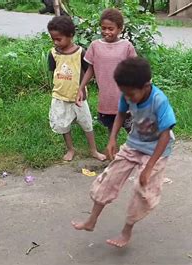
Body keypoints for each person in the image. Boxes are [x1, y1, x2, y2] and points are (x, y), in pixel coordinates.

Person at [72, 57, 177, 248]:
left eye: (130, 94)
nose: (127, 97)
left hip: (157, 150)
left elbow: (165, 135)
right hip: (134, 144)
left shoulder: (159, 101)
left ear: (146, 86)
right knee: (109, 178)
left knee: (142, 190)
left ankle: (126, 231)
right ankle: (91, 220)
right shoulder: (127, 94)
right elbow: (121, 113)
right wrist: (112, 138)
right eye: (124, 94)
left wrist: (149, 168)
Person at [47, 16, 106, 161]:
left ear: (71, 36)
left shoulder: (81, 53)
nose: (55, 42)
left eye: (59, 39)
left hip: (78, 98)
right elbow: (53, 71)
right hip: (60, 96)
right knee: (63, 124)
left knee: (87, 123)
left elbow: (90, 72)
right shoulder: (53, 53)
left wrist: (82, 87)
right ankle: (71, 149)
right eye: (53, 39)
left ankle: (93, 150)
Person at [77, 8, 137, 137]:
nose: (106, 32)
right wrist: (81, 88)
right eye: (103, 28)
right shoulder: (95, 46)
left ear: (120, 29)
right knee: (111, 128)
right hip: (106, 98)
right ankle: (113, 150)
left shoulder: (126, 46)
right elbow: (90, 69)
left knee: (131, 128)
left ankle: (139, 151)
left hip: (125, 97)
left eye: (111, 29)